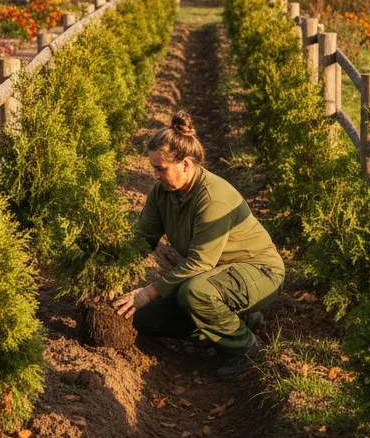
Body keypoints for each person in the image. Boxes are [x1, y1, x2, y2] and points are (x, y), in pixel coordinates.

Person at [111, 111, 285, 378]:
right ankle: (237, 321)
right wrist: (109, 270)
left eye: (160, 169)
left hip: (258, 272)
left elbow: (201, 262)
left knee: (193, 293)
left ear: (185, 164)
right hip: (213, 277)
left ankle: (245, 348)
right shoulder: (162, 193)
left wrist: (147, 292)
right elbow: (142, 240)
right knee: (144, 318)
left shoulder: (213, 198)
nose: (154, 176)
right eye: (153, 168)